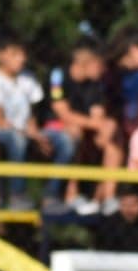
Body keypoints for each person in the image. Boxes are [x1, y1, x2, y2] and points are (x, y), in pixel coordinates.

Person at [0, 36, 53, 209]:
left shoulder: (28, 78)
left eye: (23, 54)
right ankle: (17, 194)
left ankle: (53, 196)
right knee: (17, 139)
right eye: (14, 54)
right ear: (0, 55)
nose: (22, 59)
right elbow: (0, 122)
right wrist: (29, 135)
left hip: (23, 133)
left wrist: (36, 134)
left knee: (61, 141)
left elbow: (31, 116)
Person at [49, 40, 123, 213]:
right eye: (100, 64)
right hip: (55, 126)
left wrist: (105, 127)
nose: (103, 69)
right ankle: (72, 194)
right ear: (86, 63)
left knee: (114, 136)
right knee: (75, 132)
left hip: (85, 127)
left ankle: (107, 197)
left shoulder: (96, 84)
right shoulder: (58, 76)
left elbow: (98, 112)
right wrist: (96, 124)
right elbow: (63, 113)